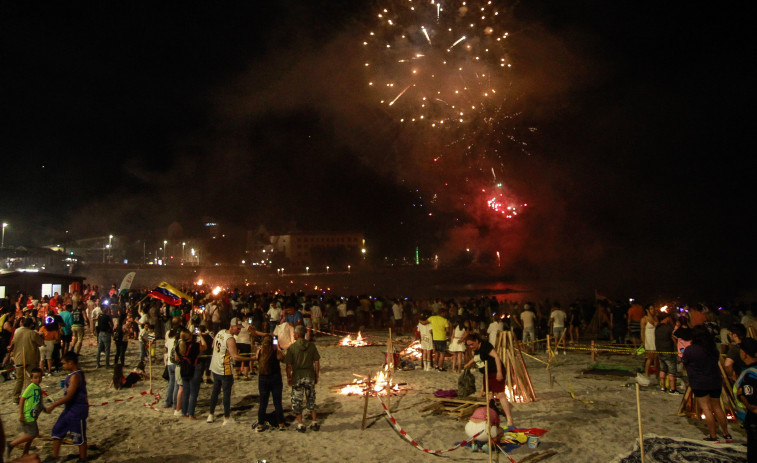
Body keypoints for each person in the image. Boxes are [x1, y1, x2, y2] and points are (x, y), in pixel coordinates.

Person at [682, 325, 731, 442]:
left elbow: (685, 362)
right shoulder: (713, 349)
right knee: (717, 407)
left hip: (700, 382)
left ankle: (713, 436)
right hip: (715, 380)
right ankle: (726, 434)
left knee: (707, 409)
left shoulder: (691, 350)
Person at [46, 351, 89, 462]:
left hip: (77, 410)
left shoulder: (75, 376)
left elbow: (70, 395)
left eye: (64, 363)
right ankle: (54, 456)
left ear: (70, 363)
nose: (63, 366)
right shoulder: (73, 375)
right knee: (57, 430)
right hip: (69, 409)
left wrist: (54, 405)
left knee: (78, 435)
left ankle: (83, 458)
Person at [463, 333, 514, 427]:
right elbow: (476, 358)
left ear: (477, 341)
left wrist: (499, 372)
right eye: (469, 345)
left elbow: (497, 357)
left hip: (495, 370)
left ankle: (509, 418)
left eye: (472, 344)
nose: (471, 346)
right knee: (488, 394)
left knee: (500, 394)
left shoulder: (486, 346)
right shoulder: (476, 349)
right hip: (487, 373)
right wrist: (468, 364)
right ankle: (492, 415)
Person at [207, 318, 248, 425]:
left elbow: (212, 346)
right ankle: (226, 417)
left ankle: (211, 414)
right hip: (224, 369)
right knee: (226, 394)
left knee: (215, 392)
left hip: (215, 366)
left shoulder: (220, 332)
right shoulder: (230, 339)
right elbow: (235, 357)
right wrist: (251, 359)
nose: (239, 331)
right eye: (238, 328)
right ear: (232, 326)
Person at [285, 325, 320, 432]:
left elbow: (288, 365)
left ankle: (300, 424)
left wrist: (289, 377)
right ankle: (314, 421)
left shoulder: (292, 348)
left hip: (298, 375)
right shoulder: (311, 346)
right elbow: (317, 362)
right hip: (309, 374)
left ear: (296, 334)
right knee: (311, 398)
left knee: (297, 400)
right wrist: (316, 375)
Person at [5, 368, 43, 459]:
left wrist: (45, 409)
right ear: (31, 379)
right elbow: (22, 399)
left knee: (30, 436)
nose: (38, 379)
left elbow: (38, 402)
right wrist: (21, 414)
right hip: (27, 416)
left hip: (33, 416)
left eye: (40, 377)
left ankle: (25, 453)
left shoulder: (38, 388)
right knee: (32, 434)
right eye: (36, 377)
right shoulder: (31, 387)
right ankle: (11, 444)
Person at [254, 334, 286, 432]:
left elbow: (256, 358)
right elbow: (283, 359)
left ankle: (260, 424)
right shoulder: (275, 351)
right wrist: (277, 347)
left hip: (263, 379)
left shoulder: (260, 351)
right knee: (277, 402)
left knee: (263, 403)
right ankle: (281, 424)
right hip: (275, 378)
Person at [9, 317, 44, 403]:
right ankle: (29, 397)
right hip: (30, 359)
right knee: (30, 379)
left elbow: (12, 345)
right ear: (31, 324)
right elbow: (41, 343)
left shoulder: (17, 332)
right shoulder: (32, 333)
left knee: (19, 380)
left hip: (18, 359)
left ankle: (15, 398)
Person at [734, 338, 757, 461]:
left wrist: (742, 396)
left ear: (744, 353)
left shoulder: (750, 375)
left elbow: (754, 406)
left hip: (753, 421)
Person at [655, 312, 678, 393]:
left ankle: (663, 387)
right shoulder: (668, 328)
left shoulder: (657, 328)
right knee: (671, 371)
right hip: (668, 351)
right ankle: (672, 389)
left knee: (663, 369)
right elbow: (674, 338)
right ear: (666, 318)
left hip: (660, 351)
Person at [640, 306, 658, 377]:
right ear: (647, 310)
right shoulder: (644, 319)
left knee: (657, 358)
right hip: (648, 340)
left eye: (653, 308)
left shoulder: (655, 318)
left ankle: (657, 374)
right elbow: (642, 331)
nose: (653, 310)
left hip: (655, 339)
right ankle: (646, 374)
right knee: (650, 358)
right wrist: (643, 341)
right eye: (651, 309)